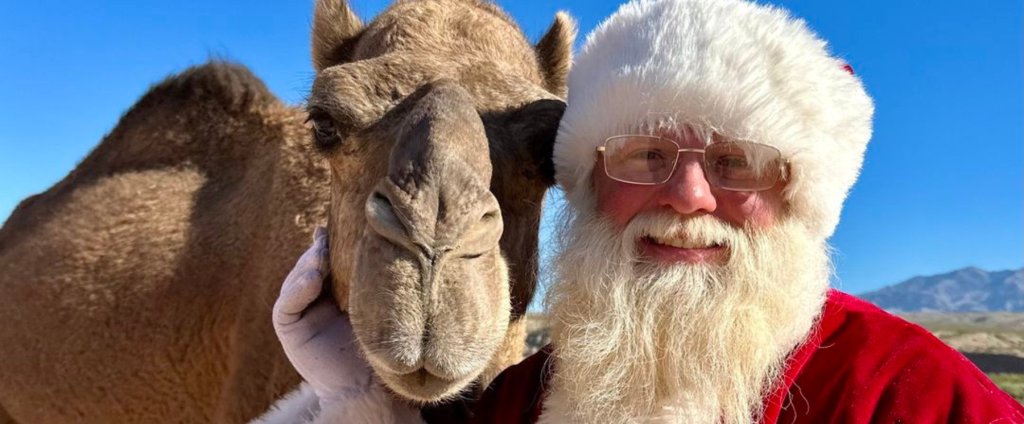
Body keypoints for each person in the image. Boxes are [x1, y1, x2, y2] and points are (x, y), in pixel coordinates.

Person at [253, 0, 1024, 423]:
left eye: (736, 163)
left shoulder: (914, 397)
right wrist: (356, 399)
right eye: (645, 155)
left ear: (797, 191)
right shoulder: (525, 403)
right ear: (591, 178)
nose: (688, 196)